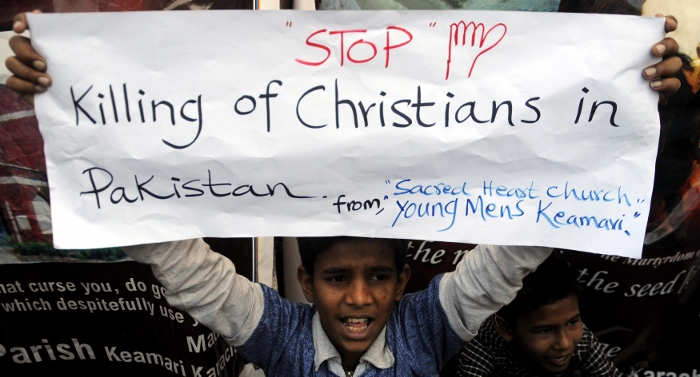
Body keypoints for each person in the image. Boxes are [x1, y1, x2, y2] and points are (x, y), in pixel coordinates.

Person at [3, 11, 683, 377]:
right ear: (305, 279)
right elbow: (188, 271)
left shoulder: (429, 328)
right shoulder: (279, 334)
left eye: (377, 276)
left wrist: (624, 99)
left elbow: (510, 258)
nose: (359, 298)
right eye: (337, 278)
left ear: (403, 279)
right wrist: (65, 96)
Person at [449, 253, 620, 377]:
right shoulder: (484, 346)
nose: (565, 343)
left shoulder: (582, 342)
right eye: (545, 330)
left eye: (572, 322)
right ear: (505, 329)